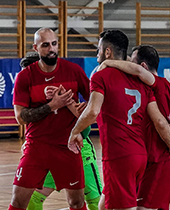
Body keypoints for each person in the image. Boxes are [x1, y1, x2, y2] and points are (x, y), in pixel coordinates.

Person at [68, 30, 170, 210]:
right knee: (106, 204)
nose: (97, 54)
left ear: (108, 52)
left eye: (99, 50)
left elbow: (93, 111)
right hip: (141, 155)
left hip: (120, 155)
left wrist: (75, 131)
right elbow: (160, 118)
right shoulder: (142, 82)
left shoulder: (101, 76)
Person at [9, 27, 90, 210]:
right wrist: (52, 105)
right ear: (36, 48)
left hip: (67, 147)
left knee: (76, 202)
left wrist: (83, 113)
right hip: (36, 147)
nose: (51, 49)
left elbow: (95, 100)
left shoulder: (73, 71)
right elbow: (20, 117)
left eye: (54, 44)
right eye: (45, 45)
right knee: (18, 201)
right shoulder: (25, 77)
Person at [97, 45, 170, 210]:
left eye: (131, 64)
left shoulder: (158, 84)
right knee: (104, 205)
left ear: (142, 67)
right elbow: (169, 118)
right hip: (140, 158)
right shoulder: (145, 88)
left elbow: (162, 122)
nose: (128, 67)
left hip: (159, 160)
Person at [19, 52, 103, 210]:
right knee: (33, 198)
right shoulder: (29, 98)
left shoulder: (64, 92)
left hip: (79, 152)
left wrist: (67, 105)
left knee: (94, 202)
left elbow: (85, 130)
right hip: (49, 153)